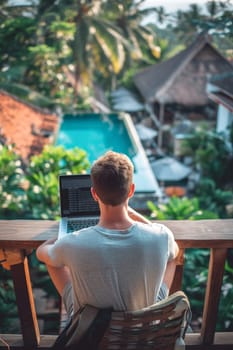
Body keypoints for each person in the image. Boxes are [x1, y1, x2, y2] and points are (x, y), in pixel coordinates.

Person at [36, 151, 179, 320]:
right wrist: (135, 216)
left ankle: (82, 312)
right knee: (171, 257)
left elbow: (42, 253)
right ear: (131, 190)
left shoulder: (71, 243)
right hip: (143, 324)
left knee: (54, 261)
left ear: (94, 194)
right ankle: (152, 307)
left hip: (93, 332)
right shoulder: (162, 236)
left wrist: (64, 236)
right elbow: (175, 252)